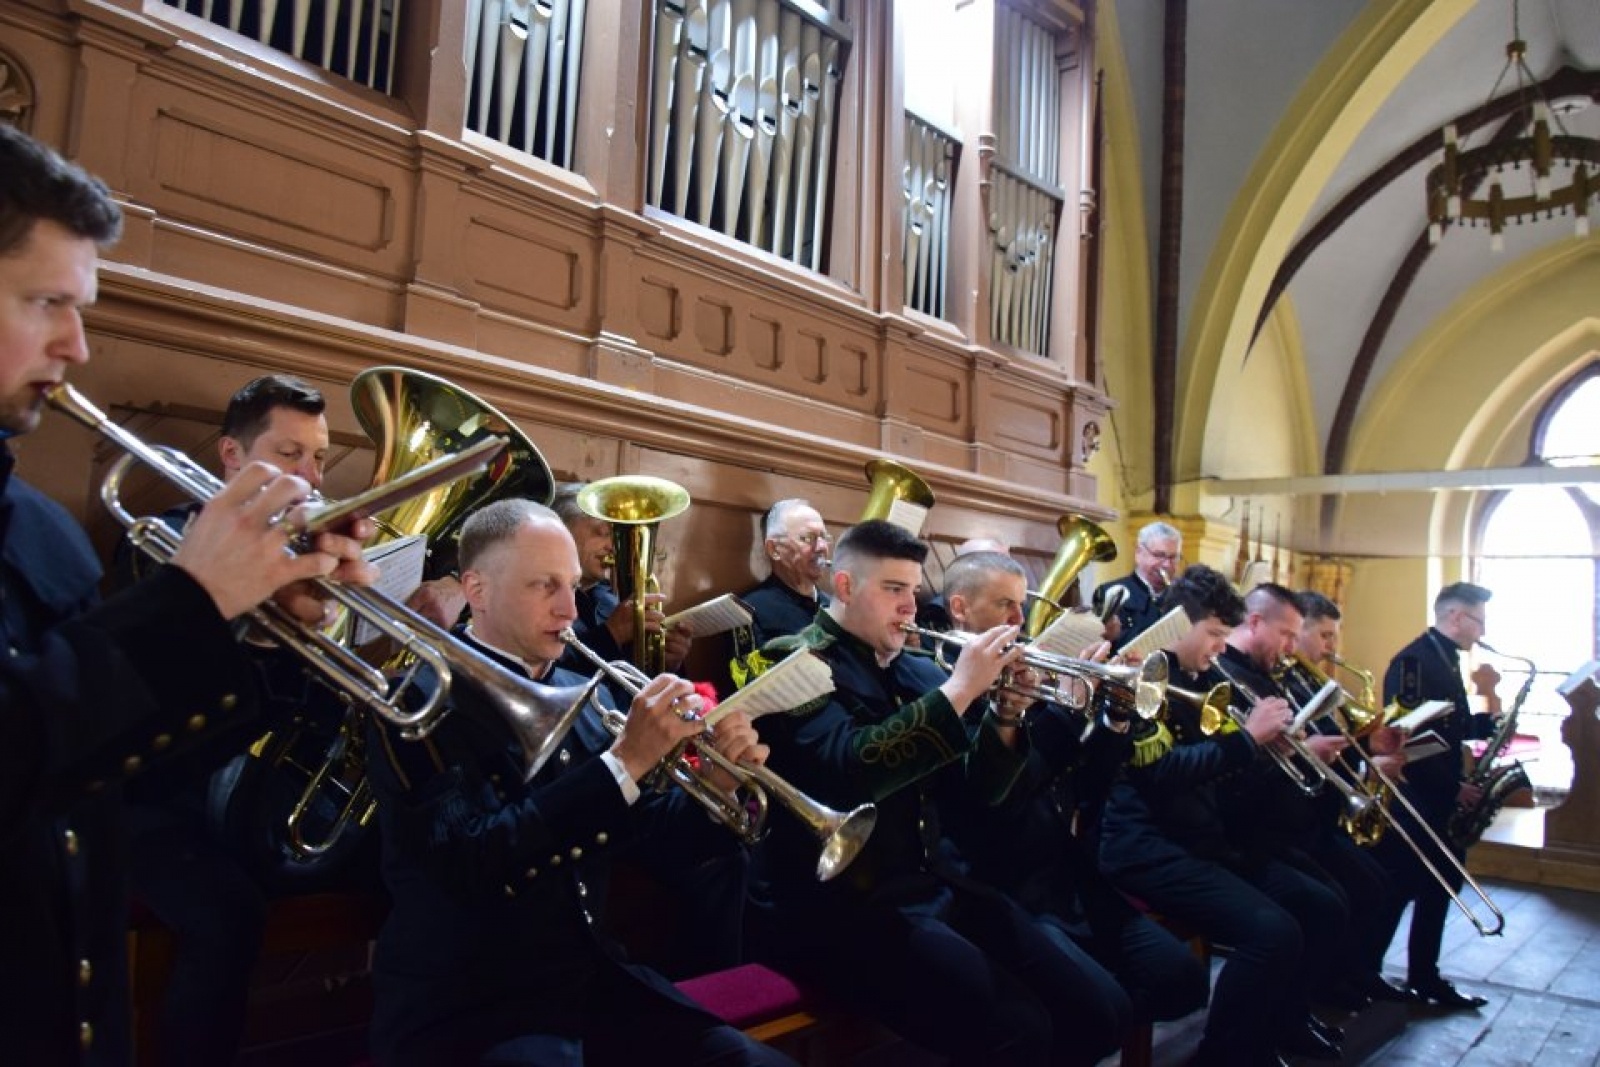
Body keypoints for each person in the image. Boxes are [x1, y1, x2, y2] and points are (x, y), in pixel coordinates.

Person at [0, 123, 375, 1065]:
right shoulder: (151, 533)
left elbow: (118, 765)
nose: (78, 344)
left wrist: (257, 631)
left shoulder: (44, 534)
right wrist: (193, 601)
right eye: (47, 302)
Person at [364, 498, 794, 1067]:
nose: (570, 608)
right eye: (544, 585)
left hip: (587, 983)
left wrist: (717, 786)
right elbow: (470, 863)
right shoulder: (416, 698)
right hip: (467, 1005)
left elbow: (655, 843)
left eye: (571, 585)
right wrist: (623, 763)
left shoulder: (587, 689)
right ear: (477, 590)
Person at [750, 520, 1131, 1066]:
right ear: (846, 586)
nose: (910, 605)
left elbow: (982, 793)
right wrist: (960, 690)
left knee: (1100, 1013)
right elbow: (850, 769)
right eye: (893, 588)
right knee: (1019, 1031)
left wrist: (1006, 714)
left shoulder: (917, 670)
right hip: (838, 909)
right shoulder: (788, 660)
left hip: (931, 883)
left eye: (912, 589)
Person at [935, 552, 1209, 1034]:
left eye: (1021, 605)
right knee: (1101, 1012)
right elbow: (1007, 795)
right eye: (1004, 605)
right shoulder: (946, 689)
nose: (1020, 620)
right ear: (960, 608)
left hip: (1066, 874)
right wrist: (1065, 711)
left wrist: (1115, 715)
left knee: (1182, 978)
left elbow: (1088, 786)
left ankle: (1089, 1025)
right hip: (1004, 885)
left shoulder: (1023, 667)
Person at [1099, 566, 1344, 1066]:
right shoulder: (1144, 673)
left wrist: (1271, 747)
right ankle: (1226, 1054)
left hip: (1202, 839)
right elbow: (1161, 772)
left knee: (1318, 905)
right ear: (1177, 623)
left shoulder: (1206, 676)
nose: (1219, 647)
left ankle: (1271, 1033)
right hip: (1148, 847)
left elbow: (1221, 767)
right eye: (1213, 633)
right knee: (1273, 933)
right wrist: (1248, 741)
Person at [1375, 581, 1498, 1010]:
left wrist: (1484, 726)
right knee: (1401, 889)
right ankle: (1367, 974)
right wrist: (1453, 787)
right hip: (1419, 797)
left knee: (1439, 887)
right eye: (1479, 621)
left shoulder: (1443, 657)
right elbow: (1404, 740)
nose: (1482, 631)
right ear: (1456, 617)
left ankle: (1424, 976)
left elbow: (1446, 727)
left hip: (1440, 794)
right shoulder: (1414, 662)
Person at [1289, 590, 1412, 1005]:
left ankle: (1353, 972)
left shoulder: (1313, 680)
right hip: (1302, 820)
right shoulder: (1290, 680)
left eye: (1334, 636)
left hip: (1324, 812)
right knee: (1356, 889)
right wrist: (1364, 768)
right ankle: (1328, 984)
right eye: (1324, 635)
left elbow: (1335, 741)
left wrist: (1371, 749)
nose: (1332, 647)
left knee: (1382, 880)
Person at [552, 484, 691, 676]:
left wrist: (666, 663)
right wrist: (612, 634)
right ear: (562, 531)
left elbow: (636, 678)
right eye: (602, 533)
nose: (613, 547)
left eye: (614, 536)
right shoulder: (543, 600)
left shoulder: (611, 600)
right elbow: (547, 672)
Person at [728, 498, 832, 687]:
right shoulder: (747, 612)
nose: (821, 547)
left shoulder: (838, 608)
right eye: (807, 538)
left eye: (824, 537)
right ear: (774, 549)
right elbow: (746, 688)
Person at [1094, 520, 1181, 652]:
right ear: (1139, 553)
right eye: (1159, 555)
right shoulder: (1109, 592)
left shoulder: (1181, 597)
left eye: (1173, 557)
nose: (1167, 565)